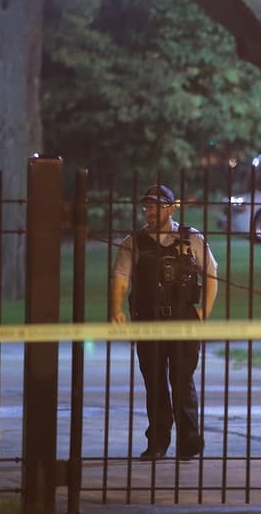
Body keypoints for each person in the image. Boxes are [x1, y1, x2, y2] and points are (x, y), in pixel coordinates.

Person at [109, 184, 219, 461]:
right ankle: (158, 442)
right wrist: (116, 308)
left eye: (156, 206)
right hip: (148, 318)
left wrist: (204, 312)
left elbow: (211, 274)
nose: (150, 211)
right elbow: (122, 278)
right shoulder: (133, 241)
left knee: (182, 379)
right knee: (155, 382)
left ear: (171, 208)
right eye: (146, 206)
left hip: (183, 317)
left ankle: (188, 441)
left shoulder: (191, 238)